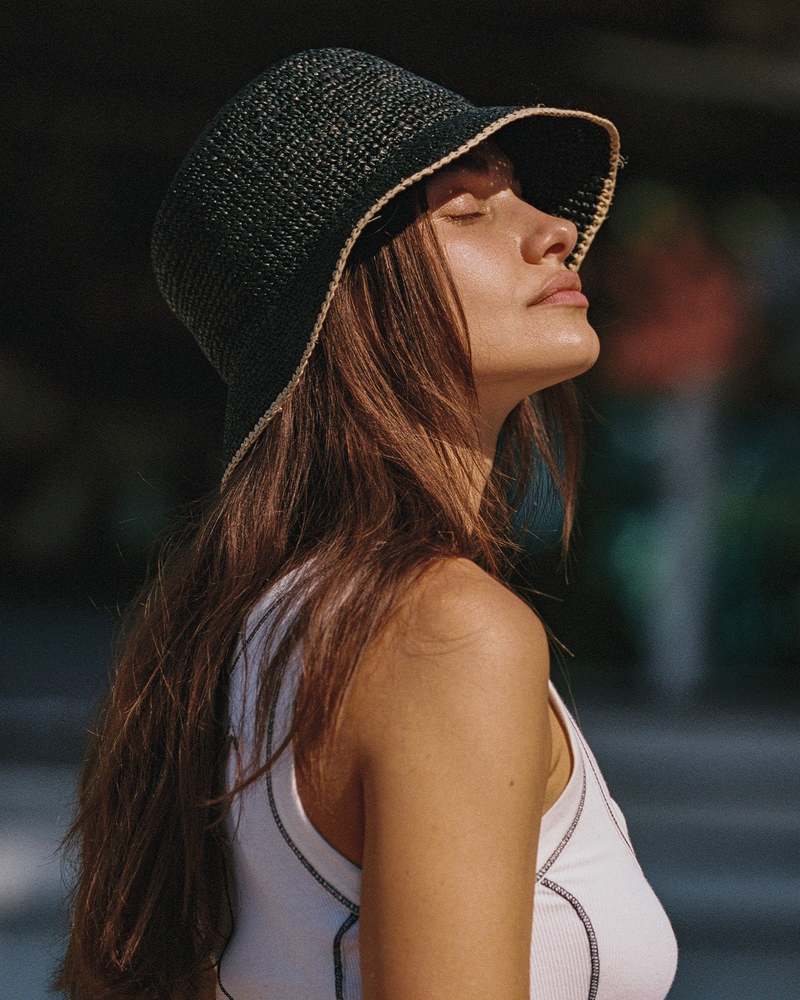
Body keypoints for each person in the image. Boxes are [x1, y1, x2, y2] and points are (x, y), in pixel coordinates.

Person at [53, 47, 678, 1000]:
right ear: (347, 303)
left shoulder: (231, 631)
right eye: (467, 210)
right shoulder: (444, 631)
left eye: (522, 196)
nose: (554, 232)